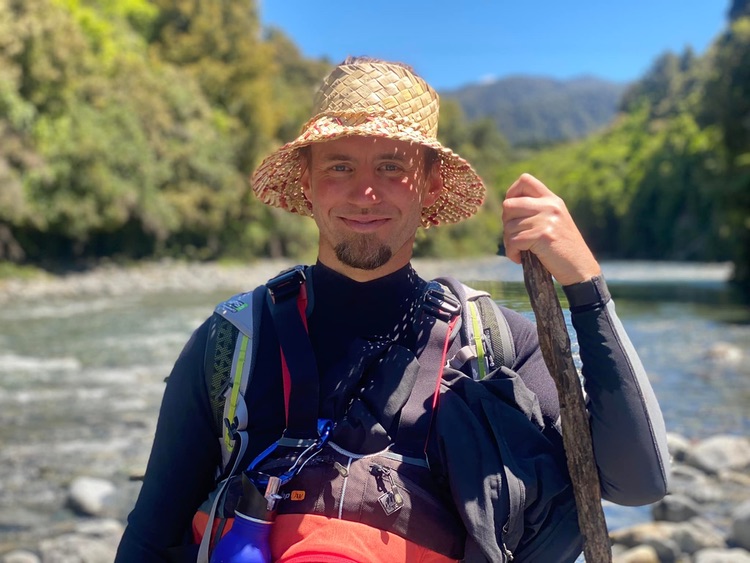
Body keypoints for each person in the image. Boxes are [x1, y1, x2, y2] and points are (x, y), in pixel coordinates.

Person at [116, 57, 670, 563]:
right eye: (338, 167)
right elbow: (150, 535)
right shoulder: (232, 342)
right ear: (306, 182)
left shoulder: (492, 343)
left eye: (390, 167)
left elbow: (636, 481)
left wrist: (585, 285)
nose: (364, 193)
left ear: (428, 186)